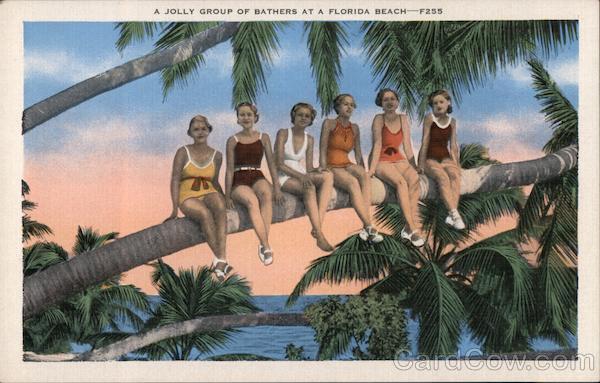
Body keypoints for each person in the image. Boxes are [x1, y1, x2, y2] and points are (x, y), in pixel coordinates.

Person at [165, 115, 231, 281]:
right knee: (204, 214)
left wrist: (225, 198)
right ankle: (221, 259)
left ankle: (220, 259)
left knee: (219, 205)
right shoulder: (183, 152)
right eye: (196, 129)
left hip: (208, 190)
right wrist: (174, 208)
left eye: (203, 128)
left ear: (209, 130)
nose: (200, 132)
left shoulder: (217, 155)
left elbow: (215, 181)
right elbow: (175, 179)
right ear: (190, 133)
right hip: (187, 194)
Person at [225, 102, 284, 266]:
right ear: (237, 119)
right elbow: (229, 170)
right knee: (252, 201)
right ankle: (266, 245)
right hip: (239, 178)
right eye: (242, 115)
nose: (245, 118)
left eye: (249, 115)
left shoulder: (263, 137)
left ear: (255, 118)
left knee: (267, 195)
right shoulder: (232, 140)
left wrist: (277, 187)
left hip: (257, 174)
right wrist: (227, 194)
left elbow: (272, 164)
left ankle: (263, 242)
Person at [319, 93, 383, 243]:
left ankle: (366, 225)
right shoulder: (329, 123)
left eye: (352, 105)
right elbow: (322, 148)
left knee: (364, 176)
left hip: (347, 163)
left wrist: (364, 171)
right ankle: (369, 225)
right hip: (332, 165)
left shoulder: (355, 128)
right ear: (338, 107)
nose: (349, 107)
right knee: (353, 183)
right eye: (345, 104)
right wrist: (323, 167)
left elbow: (358, 153)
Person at [275, 102, 335, 251]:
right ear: (293, 116)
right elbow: (279, 164)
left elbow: (308, 168)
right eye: (300, 115)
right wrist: (301, 177)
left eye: (307, 116)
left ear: (311, 120)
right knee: (309, 188)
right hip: (284, 175)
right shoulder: (283, 133)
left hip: (301, 173)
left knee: (328, 176)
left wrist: (318, 169)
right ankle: (320, 236)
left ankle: (317, 225)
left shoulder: (310, 139)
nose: (303, 118)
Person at [368, 89, 424, 247]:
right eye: (386, 100)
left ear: (398, 102)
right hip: (381, 160)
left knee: (414, 178)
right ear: (381, 103)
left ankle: (407, 227)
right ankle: (412, 228)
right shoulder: (379, 119)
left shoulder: (403, 118)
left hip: (398, 159)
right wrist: (371, 169)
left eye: (393, 99)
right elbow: (377, 144)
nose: (390, 102)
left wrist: (414, 166)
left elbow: (407, 145)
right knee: (400, 183)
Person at [418, 89, 465, 230]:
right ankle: (455, 215)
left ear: (448, 103)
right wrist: (420, 165)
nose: (438, 105)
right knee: (443, 178)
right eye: (435, 103)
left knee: (455, 175)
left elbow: (454, 146)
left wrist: (457, 164)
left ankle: (452, 215)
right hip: (430, 159)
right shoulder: (429, 118)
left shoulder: (453, 122)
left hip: (445, 158)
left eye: (441, 102)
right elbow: (425, 142)